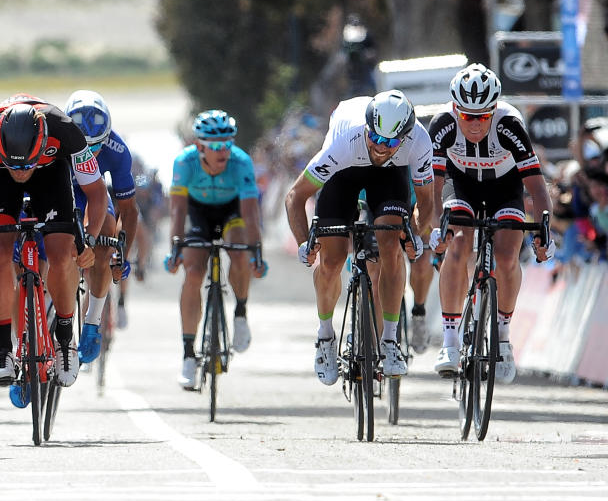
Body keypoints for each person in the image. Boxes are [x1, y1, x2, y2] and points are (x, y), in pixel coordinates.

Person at [284, 89, 433, 386]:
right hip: (344, 173)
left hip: (389, 177)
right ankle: (325, 335)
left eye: (390, 142)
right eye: (375, 138)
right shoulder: (345, 141)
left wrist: (413, 233)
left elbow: (428, 204)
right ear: (367, 128)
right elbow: (295, 196)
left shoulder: (419, 142)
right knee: (332, 259)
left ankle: (390, 341)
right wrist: (304, 242)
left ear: (404, 137)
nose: (380, 146)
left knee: (390, 244)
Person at [0, 96, 108, 396]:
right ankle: (4, 348)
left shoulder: (65, 132)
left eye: (26, 166)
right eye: (15, 166)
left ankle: (65, 341)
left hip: (50, 173)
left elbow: (96, 194)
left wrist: (90, 241)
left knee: (62, 252)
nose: (21, 172)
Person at [428, 64, 554, 383]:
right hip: (461, 184)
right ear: (455, 109)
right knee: (457, 244)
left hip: (504, 187)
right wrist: (434, 230)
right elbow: (432, 186)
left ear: (494, 110)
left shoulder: (509, 124)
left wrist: (544, 233)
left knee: (507, 255)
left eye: (482, 116)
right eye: (466, 115)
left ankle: (502, 335)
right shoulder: (442, 124)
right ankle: (451, 340)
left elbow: (538, 188)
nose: (473, 124)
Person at [164, 110, 265, 389]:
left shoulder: (241, 162)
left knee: (239, 252)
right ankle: (187, 355)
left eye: (228, 144)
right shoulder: (184, 163)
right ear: (200, 147)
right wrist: (175, 247)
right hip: (198, 214)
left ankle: (241, 313)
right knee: (193, 272)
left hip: (232, 211)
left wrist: (256, 250)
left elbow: (250, 212)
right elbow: (177, 210)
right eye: (216, 146)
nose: (223, 152)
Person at [63, 90, 139, 364]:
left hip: (95, 196)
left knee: (105, 233)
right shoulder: (56, 139)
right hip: (62, 191)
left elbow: (129, 210)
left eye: (95, 147)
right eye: (83, 147)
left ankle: (93, 320)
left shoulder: (117, 150)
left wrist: (122, 255)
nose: (88, 154)